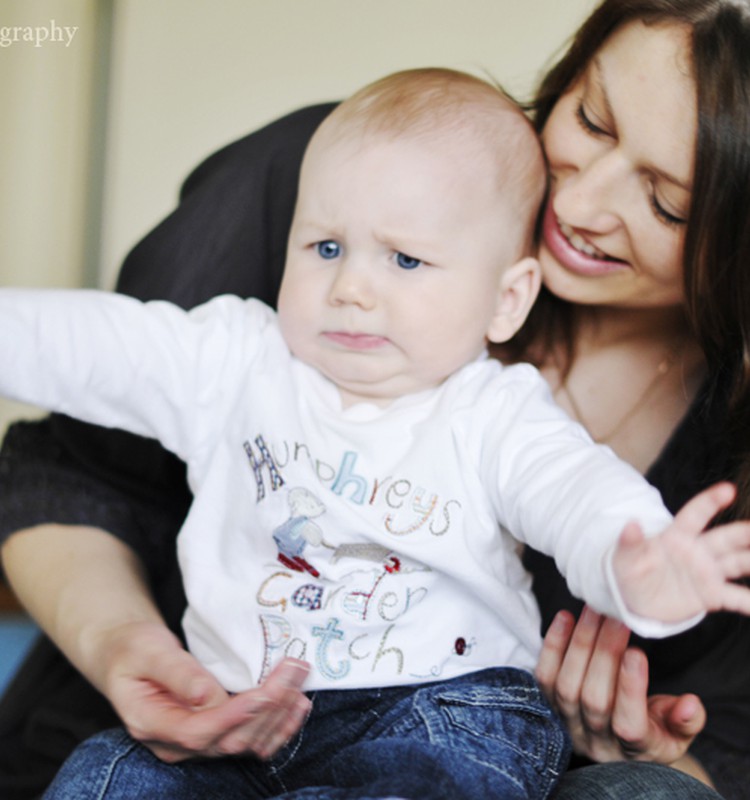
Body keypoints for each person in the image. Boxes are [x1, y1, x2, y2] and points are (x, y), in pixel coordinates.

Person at [1, 0, 749, 798]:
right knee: (103, 775)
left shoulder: (492, 408)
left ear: (507, 299)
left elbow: (573, 492)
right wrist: (122, 643)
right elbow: (94, 348)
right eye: (593, 121)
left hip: (438, 714)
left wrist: (638, 563)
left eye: (667, 201)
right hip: (226, 712)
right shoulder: (254, 329)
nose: (353, 287)